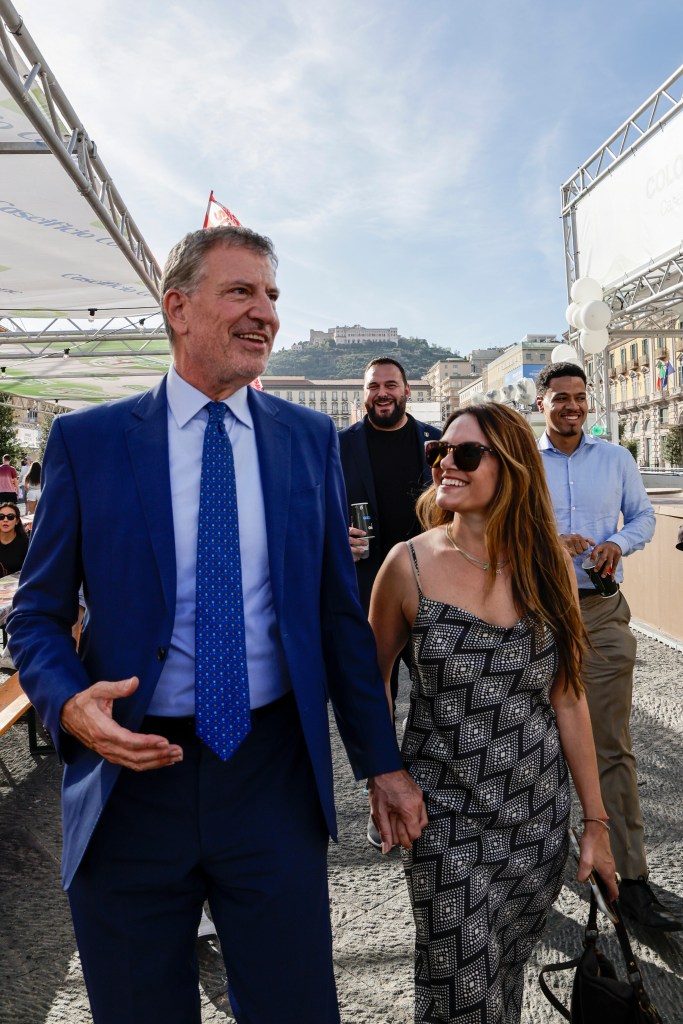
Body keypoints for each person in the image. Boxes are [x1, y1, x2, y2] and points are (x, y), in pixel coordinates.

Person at [7, 225, 426, 1024]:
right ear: (177, 308)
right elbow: (36, 613)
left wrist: (382, 764)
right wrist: (67, 703)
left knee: (296, 1007)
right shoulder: (88, 442)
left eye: (271, 295)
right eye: (240, 292)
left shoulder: (308, 441)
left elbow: (338, 616)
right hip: (130, 779)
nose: (264, 312)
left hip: (269, 775)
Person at [369, 402, 617, 1024]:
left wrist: (595, 823)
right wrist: (382, 776)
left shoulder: (549, 565)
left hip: (534, 819)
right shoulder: (408, 565)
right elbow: (369, 685)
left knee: (500, 982)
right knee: (460, 995)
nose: (446, 463)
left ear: (510, 468)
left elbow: (569, 697)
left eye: (466, 453)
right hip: (445, 819)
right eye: (439, 453)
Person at [536, 361, 680, 931]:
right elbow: (494, 524)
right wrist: (550, 539)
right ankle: (539, 870)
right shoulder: (519, 462)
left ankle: (633, 881)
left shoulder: (616, 459)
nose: (572, 407)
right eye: (560, 398)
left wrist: (618, 542)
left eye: (579, 398)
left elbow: (644, 517)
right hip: (534, 616)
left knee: (612, 747)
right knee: (531, 746)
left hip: (599, 615)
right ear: (541, 402)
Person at [339, 357, 440, 847]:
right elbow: (316, 514)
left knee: (442, 692)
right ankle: (381, 787)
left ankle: (443, 788)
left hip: (435, 590)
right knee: (375, 691)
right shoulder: (339, 447)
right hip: (366, 590)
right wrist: (339, 538)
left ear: (406, 390)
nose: (382, 392)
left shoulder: (438, 441)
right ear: (364, 393)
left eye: (391, 385)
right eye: (374, 385)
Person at [0, 501, 29, 575]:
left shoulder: (25, 544)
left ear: (17, 521)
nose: (5, 520)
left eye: (10, 517)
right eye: (1, 516)